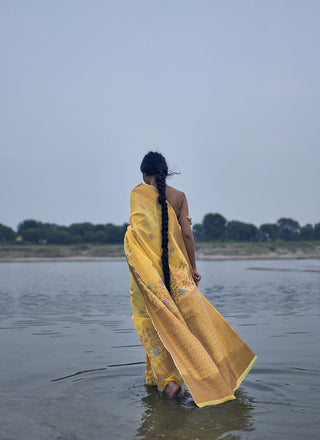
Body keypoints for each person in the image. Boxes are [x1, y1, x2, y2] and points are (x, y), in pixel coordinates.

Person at [124, 151, 256, 407]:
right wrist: (193, 267)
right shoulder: (179, 197)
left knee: (154, 324)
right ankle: (212, 377)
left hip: (149, 278)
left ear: (143, 174)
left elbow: (139, 238)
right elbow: (186, 235)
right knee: (195, 326)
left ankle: (170, 382)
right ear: (165, 172)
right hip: (177, 277)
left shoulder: (137, 195)